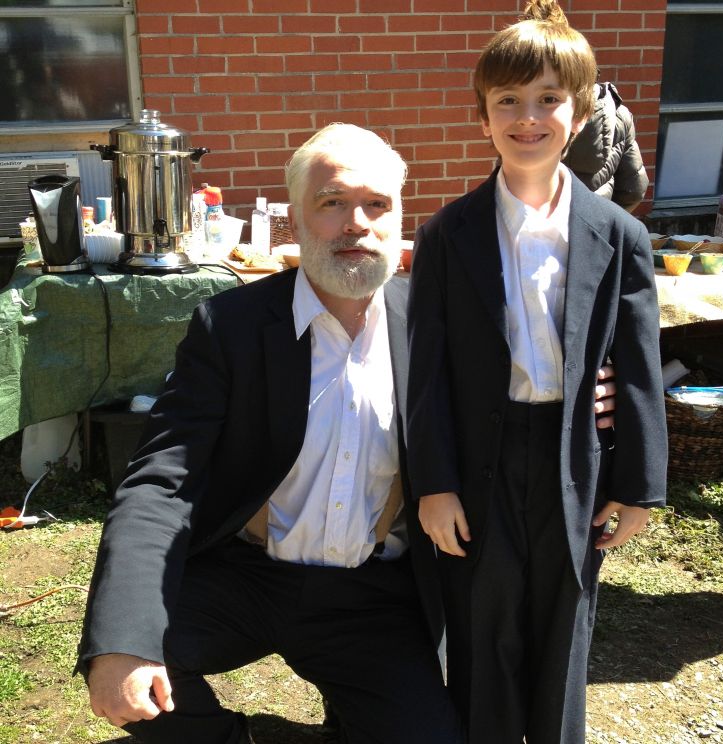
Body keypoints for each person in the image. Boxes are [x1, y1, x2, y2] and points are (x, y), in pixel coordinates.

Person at [77, 122, 617, 744]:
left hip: (371, 596)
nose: (356, 223)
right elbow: (160, 480)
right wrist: (123, 640)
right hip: (242, 576)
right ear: (295, 220)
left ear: (400, 220)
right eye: (332, 202)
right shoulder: (231, 326)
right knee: (125, 659)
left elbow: (522, 394)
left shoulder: (445, 327)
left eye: (376, 205)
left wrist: (585, 395)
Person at [405, 1, 668, 743]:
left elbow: (638, 366)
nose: (528, 118)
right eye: (508, 101)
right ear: (483, 116)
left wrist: (638, 485)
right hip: (480, 460)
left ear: (579, 115)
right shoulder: (447, 234)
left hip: (573, 457)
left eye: (548, 99)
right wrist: (434, 484)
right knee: (484, 621)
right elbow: (425, 373)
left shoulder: (619, 234)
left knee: (564, 619)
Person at [563, 79, 649, 212]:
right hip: (597, 219)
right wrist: (608, 220)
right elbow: (634, 190)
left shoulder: (535, 119)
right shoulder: (619, 115)